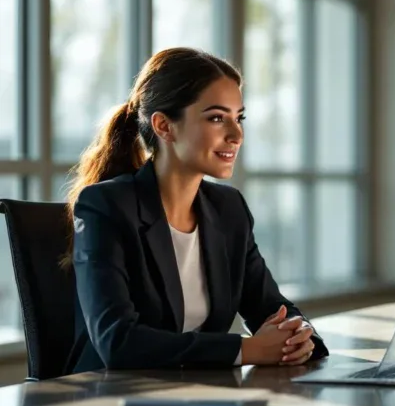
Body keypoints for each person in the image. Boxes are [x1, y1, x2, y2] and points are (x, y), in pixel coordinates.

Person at [63, 48, 328, 373]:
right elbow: (118, 343)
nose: (236, 135)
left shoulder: (228, 210)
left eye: (238, 117)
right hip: (110, 405)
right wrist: (247, 349)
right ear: (164, 126)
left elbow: (272, 309)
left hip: (199, 398)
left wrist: (298, 337)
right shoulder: (105, 206)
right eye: (217, 117)